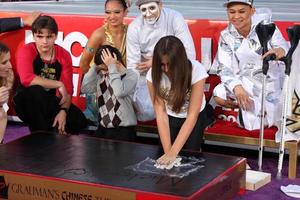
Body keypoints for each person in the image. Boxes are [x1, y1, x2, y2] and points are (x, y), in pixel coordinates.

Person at [212, 0, 289, 130]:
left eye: (241, 11)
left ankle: (264, 111)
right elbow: (224, 68)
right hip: (247, 82)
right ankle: (254, 110)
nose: (236, 16)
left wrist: (278, 51)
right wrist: (237, 87)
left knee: (276, 104)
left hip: (270, 81)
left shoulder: (268, 27)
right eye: (232, 12)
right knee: (219, 94)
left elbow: (283, 48)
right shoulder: (226, 36)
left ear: (252, 11)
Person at [14, 15, 87, 134]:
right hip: (25, 102)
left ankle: (51, 129)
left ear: (56, 36)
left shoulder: (63, 55)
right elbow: (26, 79)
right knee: (36, 92)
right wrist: (58, 84)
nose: (44, 41)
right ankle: (41, 134)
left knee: (78, 120)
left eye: (49, 36)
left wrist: (63, 111)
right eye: (40, 36)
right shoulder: (26, 50)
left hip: (49, 102)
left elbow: (67, 90)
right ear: (33, 36)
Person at [147, 36, 208, 166]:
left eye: (170, 64)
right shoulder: (152, 74)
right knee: (165, 156)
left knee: (190, 157)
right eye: (162, 65)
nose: (166, 70)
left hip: (194, 117)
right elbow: (160, 113)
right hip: (169, 116)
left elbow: (192, 116)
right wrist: (169, 152)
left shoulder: (197, 70)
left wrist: (173, 153)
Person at [79, 0, 129, 125]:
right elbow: (83, 63)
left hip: (121, 85)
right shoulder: (99, 35)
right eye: (108, 12)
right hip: (101, 87)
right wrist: (96, 87)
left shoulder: (131, 32)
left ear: (125, 12)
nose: (112, 16)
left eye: (117, 12)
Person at [81, 45, 138, 142]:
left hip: (124, 130)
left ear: (117, 60)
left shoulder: (131, 75)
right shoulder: (101, 75)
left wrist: (111, 67)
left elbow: (119, 92)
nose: (104, 72)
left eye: (106, 68)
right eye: (102, 69)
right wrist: (95, 66)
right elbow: (85, 88)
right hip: (103, 128)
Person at [127, 0, 196, 73]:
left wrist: (157, 62)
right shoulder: (134, 27)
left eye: (152, 8)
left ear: (160, 5)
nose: (148, 14)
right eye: (144, 10)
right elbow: (133, 65)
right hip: (147, 74)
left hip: (175, 68)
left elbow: (189, 53)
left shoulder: (175, 17)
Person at [0, 43, 14, 144]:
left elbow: (4, 110)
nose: (10, 66)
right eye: (4, 62)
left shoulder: (7, 77)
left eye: (9, 60)